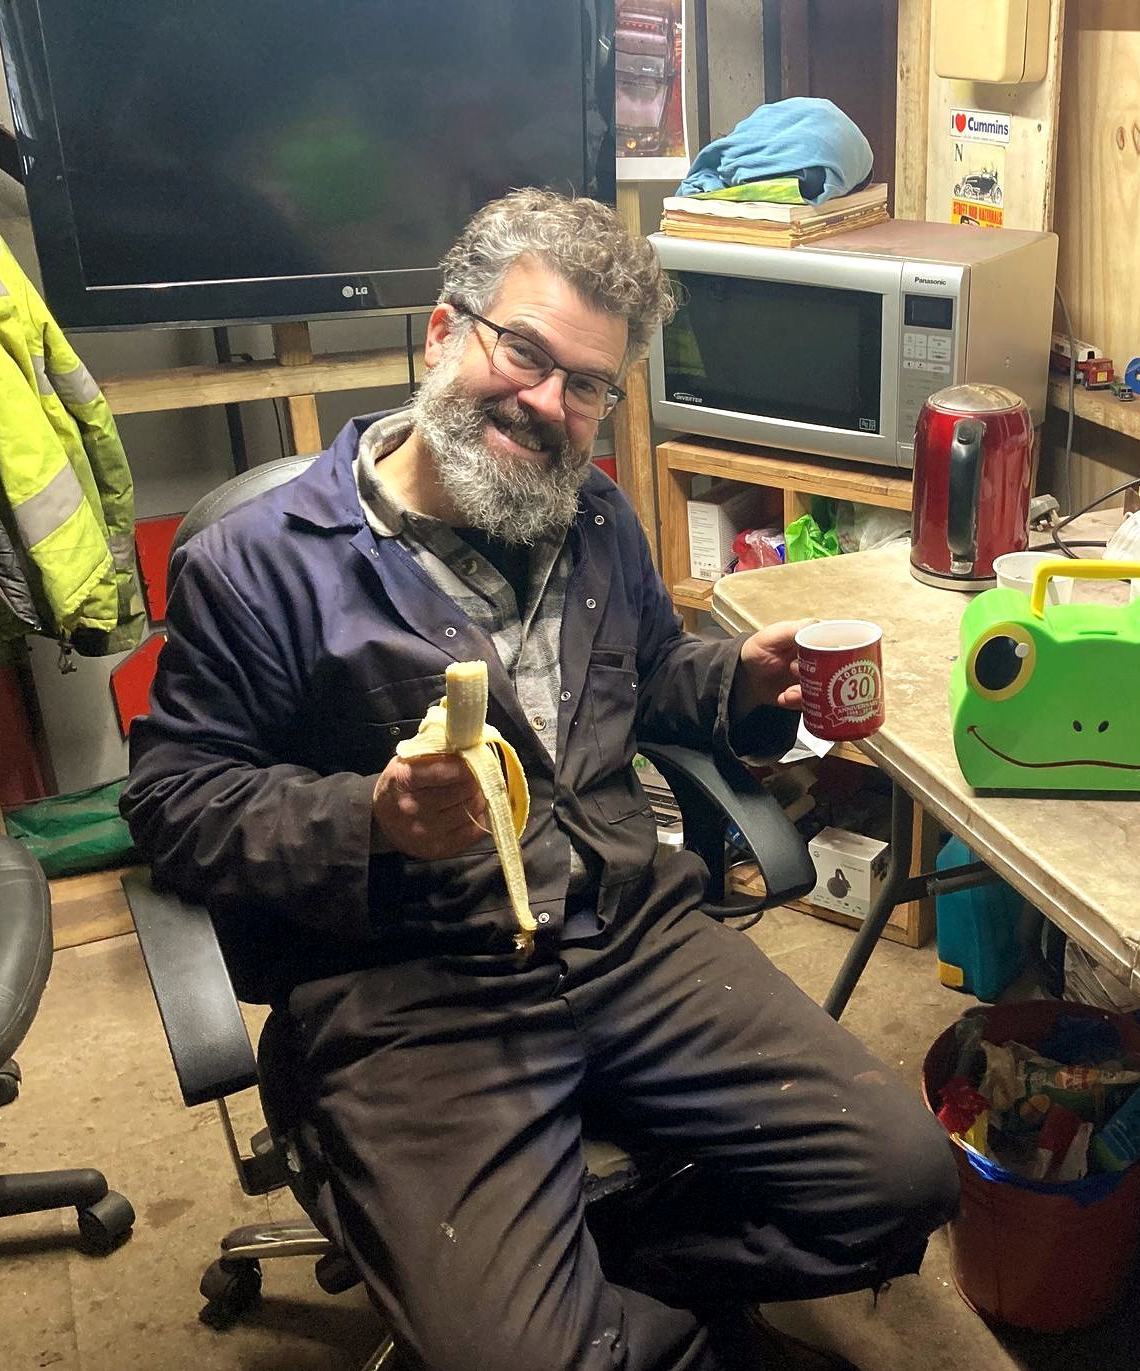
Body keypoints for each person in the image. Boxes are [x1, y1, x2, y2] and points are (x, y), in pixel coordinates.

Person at [122, 188, 958, 1371]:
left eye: (587, 386)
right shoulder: (254, 567)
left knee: (901, 1183)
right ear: (444, 333)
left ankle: (611, 1291)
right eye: (525, 352)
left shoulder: (595, 514)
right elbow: (174, 807)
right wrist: (370, 818)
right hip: (412, 986)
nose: (548, 403)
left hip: (630, 935)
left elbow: (646, 674)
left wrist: (736, 688)